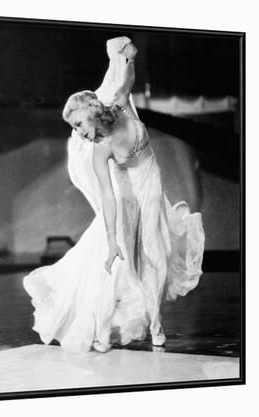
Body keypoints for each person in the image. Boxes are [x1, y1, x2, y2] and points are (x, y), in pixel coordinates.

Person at [23, 36, 205, 353]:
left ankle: (156, 321)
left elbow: (126, 79)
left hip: (150, 182)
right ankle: (103, 321)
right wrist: (110, 239)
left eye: (79, 124)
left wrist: (130, 59)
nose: (79, 132)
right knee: (127, 260)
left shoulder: (119, 106)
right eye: (75, 128)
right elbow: (108, 197)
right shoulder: (98, 151)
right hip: (124, 196)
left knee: (156, 250)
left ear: (93, 111)